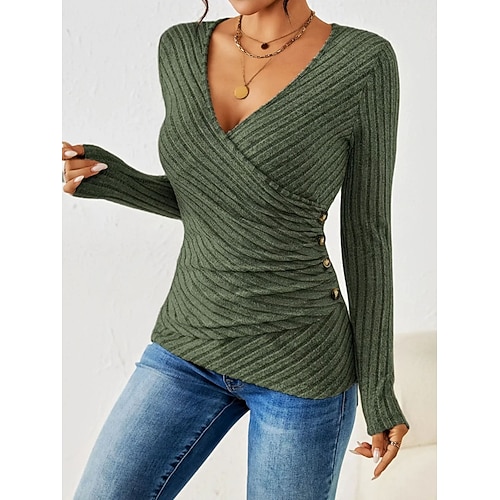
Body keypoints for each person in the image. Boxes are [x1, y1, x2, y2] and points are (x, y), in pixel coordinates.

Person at [63, 0, 409, 498]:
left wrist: (379, 390)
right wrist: (118, 181)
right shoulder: (180, 47)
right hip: (190, 337)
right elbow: (214, 199)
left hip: (302, 356)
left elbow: (367, 232)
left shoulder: (364, 61)